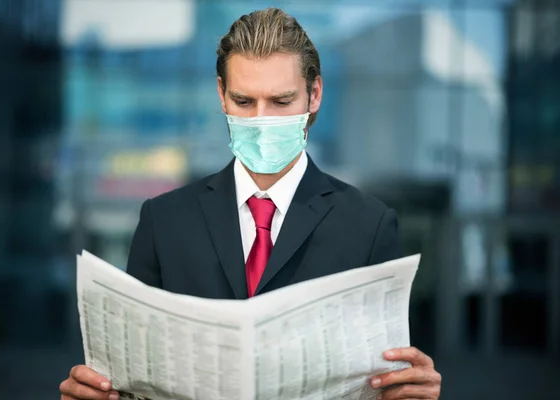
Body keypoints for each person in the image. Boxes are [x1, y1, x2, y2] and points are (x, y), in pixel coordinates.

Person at [60, 7, 441, 400]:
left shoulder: (369, 226)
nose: (260, 120)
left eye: (280, 101)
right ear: (222, 95)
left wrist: (413, 390)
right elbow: (131, 376)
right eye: (244, 101)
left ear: (314, 95)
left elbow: (393, 375)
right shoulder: (164, 221)